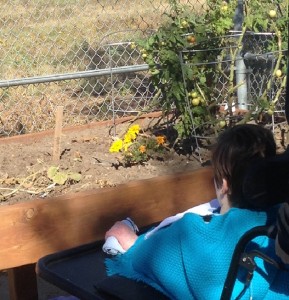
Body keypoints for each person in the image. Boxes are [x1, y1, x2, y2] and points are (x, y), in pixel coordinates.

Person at [104, 124, 289, 299]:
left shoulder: (193, 233)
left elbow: (146, 257)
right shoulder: (282, 221)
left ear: (224, 184)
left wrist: (133, 243)